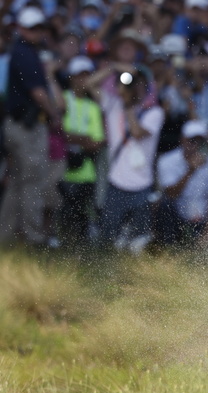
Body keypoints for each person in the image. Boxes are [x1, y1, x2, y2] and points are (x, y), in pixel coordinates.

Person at [0, 7, 61, 248]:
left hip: (18, 125)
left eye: (39, 28)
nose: (37, 32)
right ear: (21, 28)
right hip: (26, 127)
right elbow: (37, 93)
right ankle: (33, 238)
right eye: (32, 28)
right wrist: (54, 114)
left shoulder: (24, 51)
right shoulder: (25, 53)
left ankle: (5, 239)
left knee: (18, 182)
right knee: (33, 181)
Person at [96, 68, 164, 252]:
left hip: (141, 184)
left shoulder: (155, 113)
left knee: (138, 243)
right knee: (108, 239)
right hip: (116, 181)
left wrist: (128, 107)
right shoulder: (112, 104)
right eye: (134, 83)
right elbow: (88, 85)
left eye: (141, 84)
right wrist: (113, 67)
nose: (137, 88)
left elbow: (136, 132)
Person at [154, 120, 208, 247]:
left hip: (201, 219)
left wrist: (207, 233)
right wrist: (190, 171)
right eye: (192, 141)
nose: (196, 145)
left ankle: (202, 243)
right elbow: (171, 194)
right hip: (178, 218)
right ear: (182, 140)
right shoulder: (167, 161)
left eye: (200, 142)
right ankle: (169, 247)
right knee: (164, 205)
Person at [59, 55, 105, 248]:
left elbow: (97, 142)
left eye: (86, 76)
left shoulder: (93, 106)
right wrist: (81, 139)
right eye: (79, 76)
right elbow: (57, 134)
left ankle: (78, 250)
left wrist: (72, 138)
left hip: (85, 170)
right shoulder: (62, 100)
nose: (82, 80)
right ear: (71, 77)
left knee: (81, 216)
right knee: (60, 213)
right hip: (61, 168)